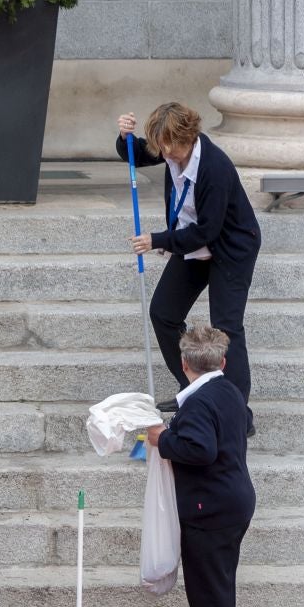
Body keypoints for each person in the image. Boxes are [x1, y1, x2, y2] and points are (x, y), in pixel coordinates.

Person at [116, 102, 262, 408]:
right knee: (164, 313)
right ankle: (194, 391)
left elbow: (207, 231)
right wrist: (124, 137)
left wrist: (159, 239)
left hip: (230, 247)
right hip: (191, 243)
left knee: (226, 326)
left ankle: (236, 411)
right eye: (161, 148)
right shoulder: (168, 148)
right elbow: (136, 153)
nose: (164, 154)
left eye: (169, 148)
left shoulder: (215, 168)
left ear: (186, 137)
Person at [144, 325, 256, 607]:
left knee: (210, 594)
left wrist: (164, 439)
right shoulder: (228, 390)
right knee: (215, 590)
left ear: (183, 363)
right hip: (230, 501)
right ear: (223, 361)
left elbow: (200, 449)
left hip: (211, 509)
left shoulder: (199, 401)